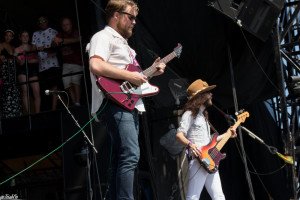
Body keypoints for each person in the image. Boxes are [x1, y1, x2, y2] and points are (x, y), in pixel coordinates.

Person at [87, 0, 166, 199]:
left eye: (135, 19)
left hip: (129, 104)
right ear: (116, 15)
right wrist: (130, 76)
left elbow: (134, 78)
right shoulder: (103, 36)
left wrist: (151, 73)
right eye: (130, 17)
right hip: (114, 103)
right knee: (130, 155)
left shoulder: (125, 45)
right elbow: (96, 65)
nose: (134, 22)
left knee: (121, 157)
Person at [176, 79, 237, 200]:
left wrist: (228, 134)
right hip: (198, 159)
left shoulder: (203, 116)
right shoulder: (189, 114)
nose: (211, 94)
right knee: (193, 196)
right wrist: (191, 145)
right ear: (200, 96)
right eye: (208, 92)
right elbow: (179, 135)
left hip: (209, 160)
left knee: (219, 196)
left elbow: (210, 141)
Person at [32, 16, 60, 111]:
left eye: (44, 21)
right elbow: (32, 49)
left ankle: (54, 109)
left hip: (53, 64)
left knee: (54, 86)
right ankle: (47, 108)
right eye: (40, 22)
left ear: (47, 22)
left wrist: (47, 48)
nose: (42, 23)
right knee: (45, 89)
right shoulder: (35, 34)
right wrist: (37, 48)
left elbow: (57, 47)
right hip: (42, 66)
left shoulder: (54, 32)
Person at [53, 17, 83, 106]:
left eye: (67, 24)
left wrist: (62, 41)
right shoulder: (60, 34)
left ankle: (78, 101)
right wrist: (55, 42)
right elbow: (54, 42)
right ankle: (74, 103)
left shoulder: (75, 32)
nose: (65, 26)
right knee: (66, 82)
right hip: (66, 63)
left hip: (77, 62)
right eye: (63, 25)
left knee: (75, 81)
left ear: (71, 25)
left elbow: (78, 39)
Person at [15, 30, 41, 114]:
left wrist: (25, 59)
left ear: (29, 37)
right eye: (23, 36)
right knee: (25, 91)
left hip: (32, 69)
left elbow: (37, 60)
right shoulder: (17, 49)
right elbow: (19, 62)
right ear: (20, 37)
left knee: (37, 91)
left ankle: (37, 113)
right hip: (22, 70)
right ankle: (29, 113)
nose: (25, 37)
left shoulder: (32, 47)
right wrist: (27, 59)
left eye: (27, 36)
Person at [0, 29, 21, 118]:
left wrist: (17, 57)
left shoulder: (13, 47)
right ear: (4, 36)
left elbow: (19, 61)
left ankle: (14, 113)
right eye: (6, 35)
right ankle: (6, 114)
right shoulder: (1, 45)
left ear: (12, 37)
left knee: (14, 89)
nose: (8, 37)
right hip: (4, 69)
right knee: (6, 90)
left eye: (10, 36)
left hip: (13, 70)